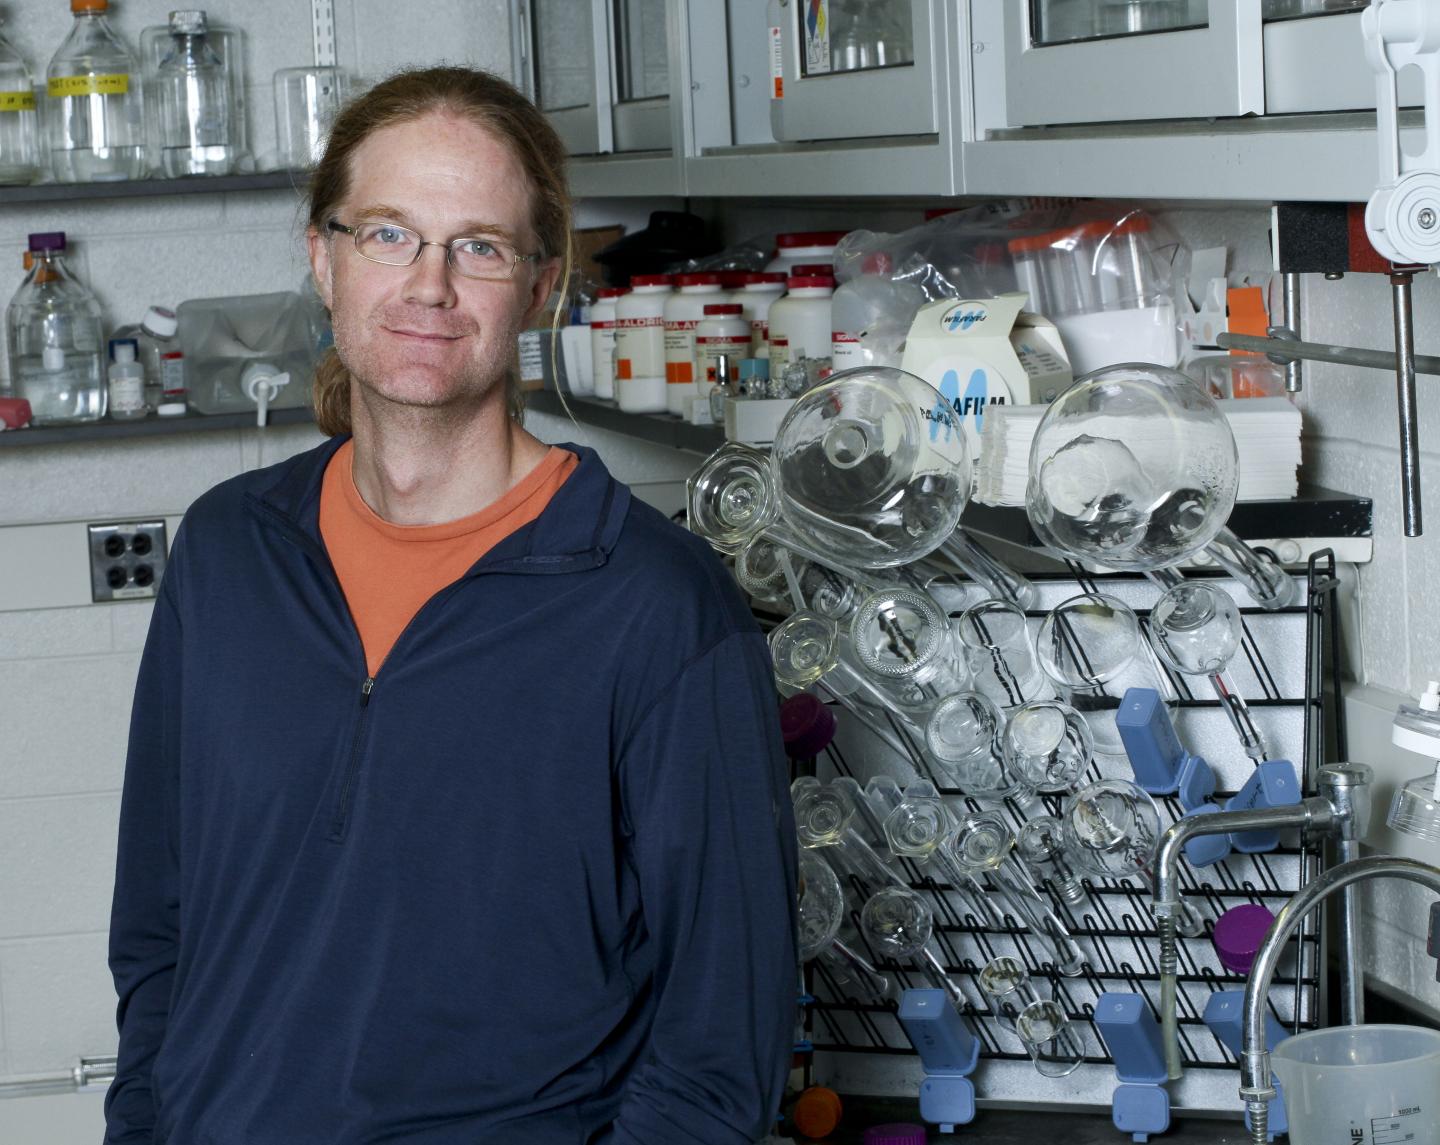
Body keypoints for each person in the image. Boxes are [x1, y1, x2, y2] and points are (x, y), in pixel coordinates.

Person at [105, 66, 797, 1145]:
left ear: (539, 286)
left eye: (478, 246)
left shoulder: (658, 608)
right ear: (323, 258)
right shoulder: (230, 552)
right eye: (388, 235)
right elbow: (158, 930)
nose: (428, 286)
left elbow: (719, 1056)